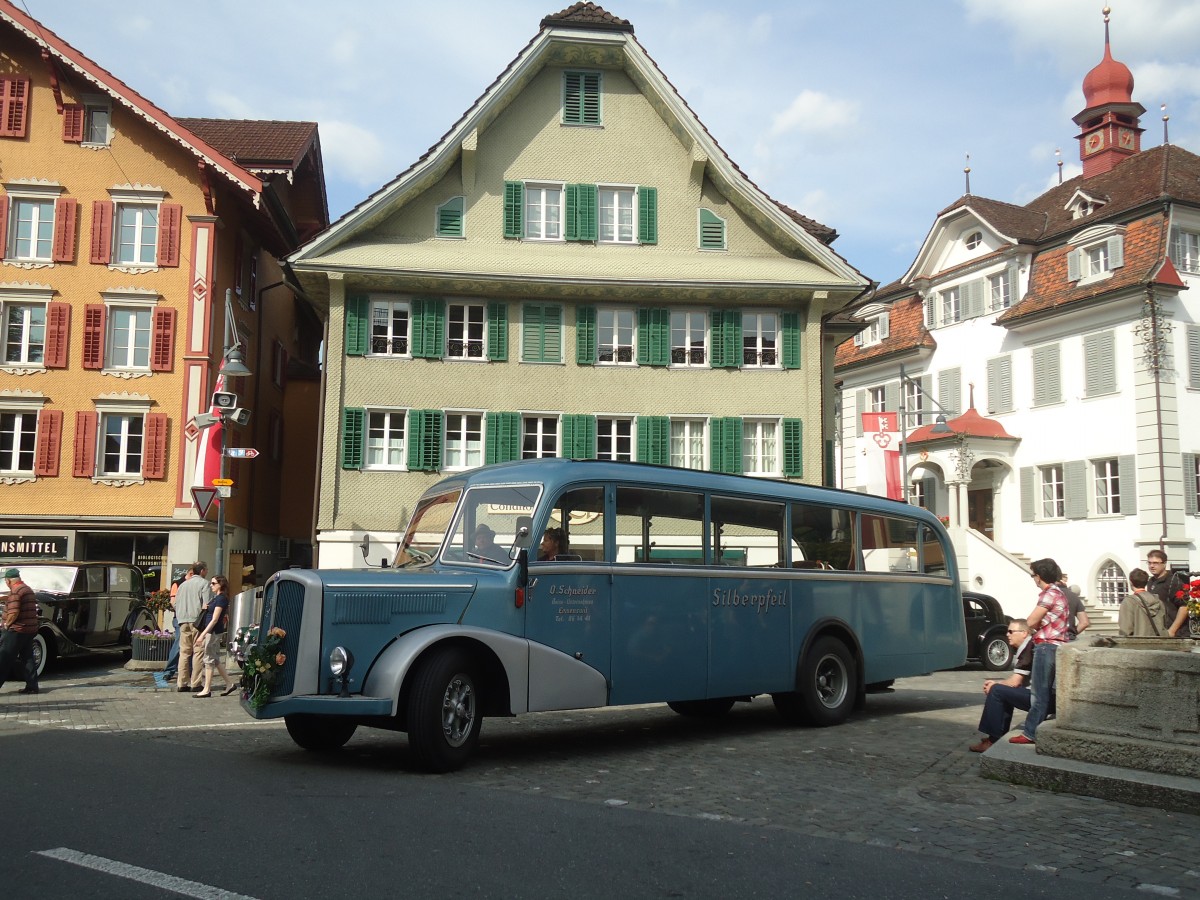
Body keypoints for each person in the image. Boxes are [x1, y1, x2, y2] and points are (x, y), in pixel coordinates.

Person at [1010, 557, 1069, 746]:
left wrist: (1030, 628)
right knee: (1045, 691)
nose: (1033, 579)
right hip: (1057, 646)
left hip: (1046, 646)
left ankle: (1030, 733)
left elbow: (1032, 621)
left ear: (1040, 576)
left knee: (1039, 692)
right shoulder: (1059, 592)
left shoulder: (1048, 594)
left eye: (1033, 575)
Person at [969, 620, 1033, 753]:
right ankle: (995, 737)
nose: (1007, 634)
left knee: (997, 691)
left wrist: (995, 684)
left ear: (1024, 633)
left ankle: (992, 740)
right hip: (1040, 696)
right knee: (1003, 691)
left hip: (1040, 699)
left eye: (1011, 631)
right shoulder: (1028, 646)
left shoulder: (1028, 648)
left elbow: (1016, 682)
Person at [193, 574, 235, 698]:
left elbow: (215, 619)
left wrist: (202, 635)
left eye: (213, 583)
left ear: (220, 584)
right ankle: (229, 684)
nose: (211, 585)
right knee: (215, 659)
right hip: (211, 631)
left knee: (209, 660)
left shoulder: (221, 599)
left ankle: (207, 689)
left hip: (214, 632)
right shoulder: (215, 598)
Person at [174, 561, 212, 692]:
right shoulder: (204, 583)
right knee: (198, 652)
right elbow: (206, 604)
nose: (207, 571)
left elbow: (175, 604)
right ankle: (195, 683)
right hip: (197, 621)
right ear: (202, 571)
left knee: (184, 652)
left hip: (182, 620)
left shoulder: (183, 585)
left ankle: (181, 683)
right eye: (206, 569)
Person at [0, 568, 40, 695]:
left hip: (16, 630)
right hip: (29, 629)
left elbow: (14, 612)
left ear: (8, 580)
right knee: (28, 658)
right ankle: (32, 686)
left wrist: (7, 624)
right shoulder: (27, 589)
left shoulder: (16, 592)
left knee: (4, 658)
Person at [1146, 549, 1189, 638]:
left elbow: (1184, 606)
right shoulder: (1151, 581)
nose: (1152, 566)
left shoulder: (1173, 581)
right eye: (1149, 563)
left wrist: (1172, 630)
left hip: (1176, 634)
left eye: (1155, 563)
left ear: (1164, 564)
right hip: (1158, 631)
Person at [159, 571, 189, 685]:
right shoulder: (177, 584)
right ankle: (169, 670)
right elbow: (173, 602)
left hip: (191, 618)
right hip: (180, 618)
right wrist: (181, 612)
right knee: (178, 644)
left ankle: (188, 671)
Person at [1118, 568, 1165, 637]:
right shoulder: (1158, 601)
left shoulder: (1129, 602)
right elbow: (1164, 624)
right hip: (1159, 643)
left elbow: (1125, 630)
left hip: (1139, 644)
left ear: (1131, 582)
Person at [1058, 573, 1090, 640]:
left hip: (1050, 640)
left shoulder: (1049, 595)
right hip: (1068, 638)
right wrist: (1072, 633)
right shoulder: (1073, 596)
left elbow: (1033, 622)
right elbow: (1084, 622)